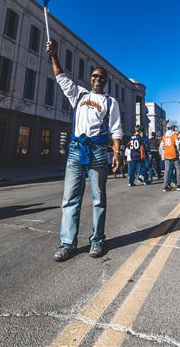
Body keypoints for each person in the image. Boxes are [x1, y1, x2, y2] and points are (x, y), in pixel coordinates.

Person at [46, 41, 123, 262]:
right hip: (75, 150)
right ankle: (67, 244)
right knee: (70, 198)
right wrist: (54, 55)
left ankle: (97, 240)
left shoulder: (110, 102)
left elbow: (116, 130)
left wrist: (116, 154)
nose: (97, 79)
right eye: (94, 76)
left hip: (98, 151)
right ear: (90, 79)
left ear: (105, 82)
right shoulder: (78, 95)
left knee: (98, 199)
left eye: (101, 77)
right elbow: (60, 75)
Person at [160, 125, 180, 191]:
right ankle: (178, 185)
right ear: (172, 128)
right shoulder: (174, 135)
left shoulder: (164, 136)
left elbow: (161, 146)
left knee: (166, 170)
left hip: (166, 154)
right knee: (178, 168)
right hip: (173, 153)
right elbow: (177, 144)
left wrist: (162, 154)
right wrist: (179, 152)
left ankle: (165, 186)